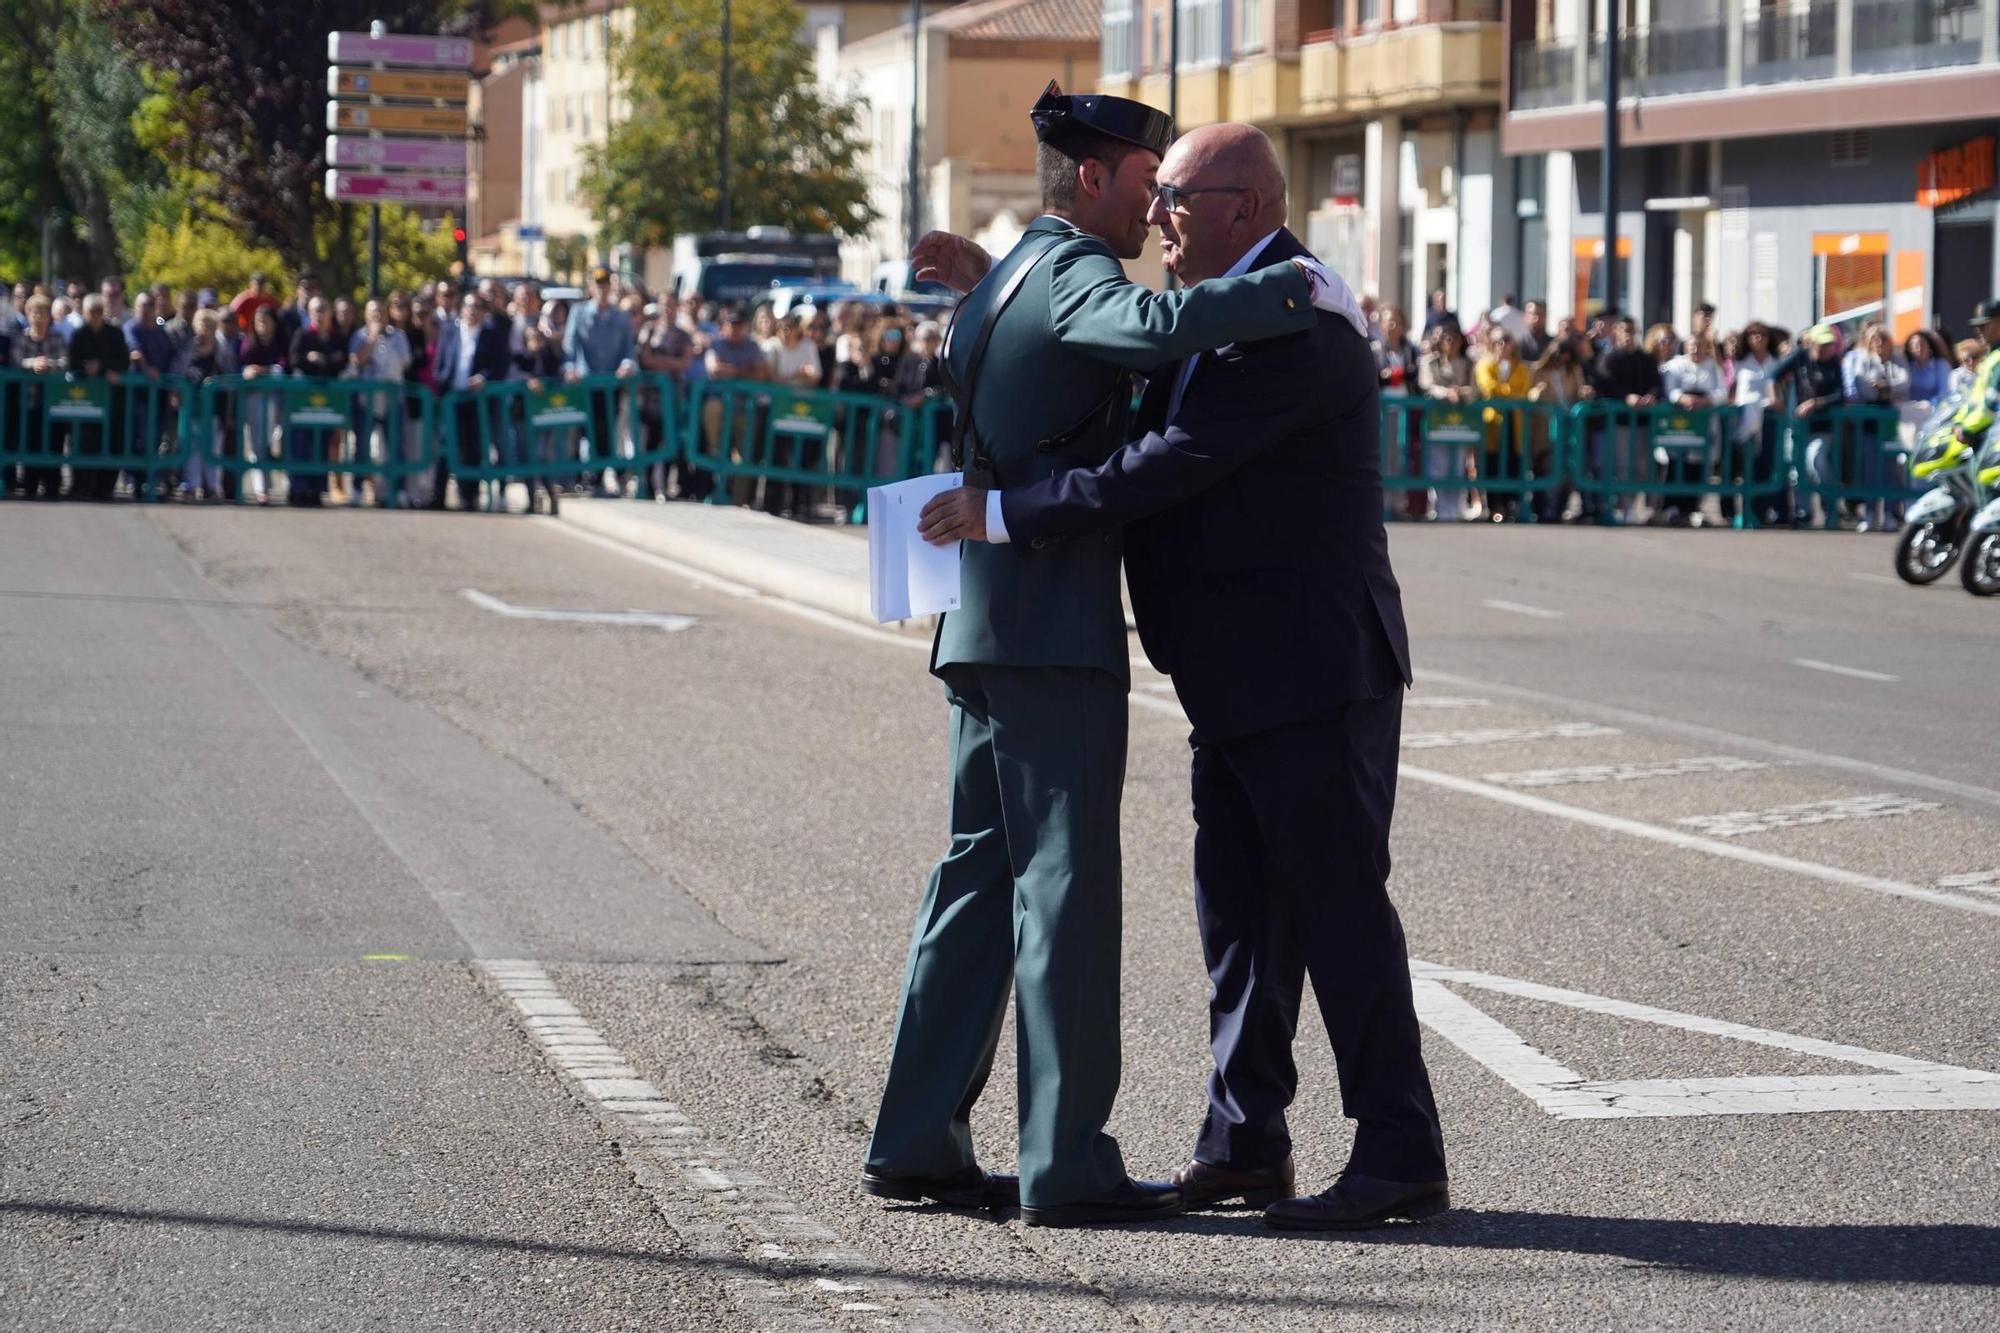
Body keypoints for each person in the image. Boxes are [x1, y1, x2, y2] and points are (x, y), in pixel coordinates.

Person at [916, 120, 1445, 1232]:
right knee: (1241, 915)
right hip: (1237, 674)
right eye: (1153, 197)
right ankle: (1243, 1139)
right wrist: (990, 290)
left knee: (1337, 909)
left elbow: (1168, 463)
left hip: (1307, 667)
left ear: (1242, 208)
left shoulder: (1293, 315)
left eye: (1177, 198)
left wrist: (1006, 515)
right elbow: (1093, 385)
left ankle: (1398, 1147)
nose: (1157, 217)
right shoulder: (1225, 314)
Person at [429, 291, 512, 511]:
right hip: (452, 398)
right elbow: (441, 362)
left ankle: (469, 496)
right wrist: (442, 382)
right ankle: (438, 496)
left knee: (473, 448)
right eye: (468, 306)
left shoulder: (492, 334)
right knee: (446, 447)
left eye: (477, 307)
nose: (472, 312)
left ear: (484, 312)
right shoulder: (450, 331)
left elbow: (500, 365)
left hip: (476, 400)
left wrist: (484, 378)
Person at [564, 266, 639, 495]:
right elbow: (570, 347)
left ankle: (603, 475)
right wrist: (570, 369)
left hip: (611, 384)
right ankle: (586, 475)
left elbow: (628, 350)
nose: (601, 289)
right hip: (585, 383)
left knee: (606, 428)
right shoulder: (579, 312)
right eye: (597, 284)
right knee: (586, 429)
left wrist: (627, 366)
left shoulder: (621, 317)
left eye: (605, 284)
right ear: (591, 287)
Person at [1587, 317, 1662, 524]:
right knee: (1622, 466)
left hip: (1644, 422)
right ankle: (1623, 505)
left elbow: (1656, 383)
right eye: (1624, 331)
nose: (1629, 336)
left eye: (1632, 331)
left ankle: (1647, 507)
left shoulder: (1645, 359)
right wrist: (1626, 397)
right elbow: (1605, 384)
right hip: (1619, 422)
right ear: (1617, 334)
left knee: (1643, 466)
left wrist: (1651, 396)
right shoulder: (1608, 358)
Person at [285, 297, 349, 506]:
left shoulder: (336, 337)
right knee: (301, 443)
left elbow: (341, 361)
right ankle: (298, 487)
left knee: (322, 444)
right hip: (303, 402)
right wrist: (311, 359)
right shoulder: (302, 335)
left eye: (324, 309)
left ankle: (316, 489)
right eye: (316, 310)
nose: (320, 314)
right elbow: (295, 360)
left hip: (327, 403)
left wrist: (325, 360)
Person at [1657, 333, 1727, 525]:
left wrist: (1705, 400)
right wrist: (1682, 398)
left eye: (1699, 345)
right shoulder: (1675, 365)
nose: (1695, 349)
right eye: (1692, 345)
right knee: (1675, 464)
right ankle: (1671, 507)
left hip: (1703, 424)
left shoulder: (1713, 367)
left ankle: (1692, 508)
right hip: (1678, 425)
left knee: (1698, 466)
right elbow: (1669, 389)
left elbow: (1722, 392)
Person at [349, 299, 412, 507]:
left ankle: (398, 489)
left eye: (380, 312)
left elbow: (405, 361)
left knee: (396, 445)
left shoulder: (399, 336)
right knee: (362, 447)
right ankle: (358, 488)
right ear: (365, 315)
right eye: (372, 312)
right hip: (366, 399)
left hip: (393, 399)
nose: (377, 315)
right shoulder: (359, 336)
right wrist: (374, 337)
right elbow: (358, 360)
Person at [173, 307, 238, 501]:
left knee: (212, 448)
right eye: (202, 325)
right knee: (192, 447)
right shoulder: (188, 348)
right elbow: (177, 371)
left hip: (214, 408)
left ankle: (212, 487)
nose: (206, 330)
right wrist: (176, 393)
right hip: (191, 405)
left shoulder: (222, 349)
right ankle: (192, 486)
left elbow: (230, 376)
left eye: (210, 326)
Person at [8, 294, 68, 499]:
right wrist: (31, 364)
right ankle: (30, 483)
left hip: (54, 402)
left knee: (55, 442)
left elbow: (65, 362)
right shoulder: (21, 338)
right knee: (30, 442)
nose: (38, 316)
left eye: (43, 312)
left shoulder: (57, 337)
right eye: (34, 312)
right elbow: (16, 362)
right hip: (28, 401)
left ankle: (52, 485)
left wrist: (50, 365)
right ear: (28, 315)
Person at [1417, 324, 1476, 520]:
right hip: (1436, 419)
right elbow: (1426, 384)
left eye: (1455, 338)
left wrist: (1461, 393)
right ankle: (1439, 507)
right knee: (1438, 464)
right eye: (1446, 339)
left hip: (1461, 421)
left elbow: (1474, 389)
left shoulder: (1467, 363)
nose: (1450, 343)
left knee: (1458, 463)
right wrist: (1445, 393)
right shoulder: (1430, 362)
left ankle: (1455, 507)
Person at [1473, 326, 1532, 521]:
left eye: (1507, 340)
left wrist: (1505, 392)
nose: (1503, 345)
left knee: (1513, 463)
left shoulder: (1521, 368)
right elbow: (1487, 386)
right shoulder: (1485, 365)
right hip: (1493, 423)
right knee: (1491, 463)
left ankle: (1511, 505)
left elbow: (1524, 392)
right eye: (1499, 341)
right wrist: (1510, 392)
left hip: (1514, 424)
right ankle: (1494, 506)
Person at [1526, 335, 1587, 522]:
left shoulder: (1574, 371)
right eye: (1560, 354)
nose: (1563, 359)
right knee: (1545, 467)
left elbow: (1579, 392)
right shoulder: (1537, 370)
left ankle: (1559, 508)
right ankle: (1542, 508)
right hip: (1545, 430)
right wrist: (1537, 393)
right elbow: (1528, 396)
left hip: (1569, 429)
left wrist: (1585, 394)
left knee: (1567, 470)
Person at [1372, 305, 1423, 518]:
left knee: (1402, 455)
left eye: (1397, 322)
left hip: (1405, 408)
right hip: (1383, 409)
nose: (1393, 326)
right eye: (1389, 321)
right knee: (1384, 456)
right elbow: (1375, 378)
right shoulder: (1374, 349)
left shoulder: (1410, 350)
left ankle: (1400, 504)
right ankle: (1382, 504)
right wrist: (1387, 376)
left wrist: (1400, 375)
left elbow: (1415, 376)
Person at [236, 304, 287, 505]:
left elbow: (283, 367)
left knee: (274, 440)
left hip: (278, 398)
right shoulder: (249, 343)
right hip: (255, 398)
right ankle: (261, 488)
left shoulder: (281, 343)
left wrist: (263, 370)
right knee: (257, 443)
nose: (263, 325)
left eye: (267, 321)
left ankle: (278, 481)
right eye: (259, 321)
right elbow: (243, 366)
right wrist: (250, 371)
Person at [1904, 329, 1953, 408]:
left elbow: (1944, 392)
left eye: (1921, 344)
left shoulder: (1941, 365)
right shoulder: (1908, 367)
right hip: (1911, 411)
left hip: (1934, 411)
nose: (1918, 348)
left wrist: (1929, 405)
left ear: (1929, 347)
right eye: (1913, 345)